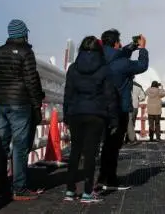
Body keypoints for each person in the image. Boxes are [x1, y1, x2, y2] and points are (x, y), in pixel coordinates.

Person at [0, 19, 44, 200]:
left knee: (2, 143)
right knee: (20, 146)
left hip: (3, 104)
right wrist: (36, 104)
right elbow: (31, 81)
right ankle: (19, 188)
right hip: (21, 104)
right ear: (23, 34)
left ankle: (1, 184)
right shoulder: (26, 52)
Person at [63, 36, 119, 203]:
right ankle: (87, 192)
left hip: (76, 114)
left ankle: (70, 190)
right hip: (96, 115)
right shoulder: (104, 69)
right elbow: (110, 96)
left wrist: (66, 114)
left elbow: (68, 94)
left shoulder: (73, 69)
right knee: (90, 153)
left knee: (75, 151)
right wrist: (114, 119)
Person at [97, 29, 149, 189]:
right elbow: (141, 65)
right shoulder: (121, 63)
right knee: (113, 146)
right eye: (119, 42)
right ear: (115, 43)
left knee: (103, 145)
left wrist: (132, 46)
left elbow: (118, 53)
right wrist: (142, 49)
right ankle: (108, 179)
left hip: (98, 108)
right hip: (118, 108)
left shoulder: (97, 58)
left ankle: (100, 179)